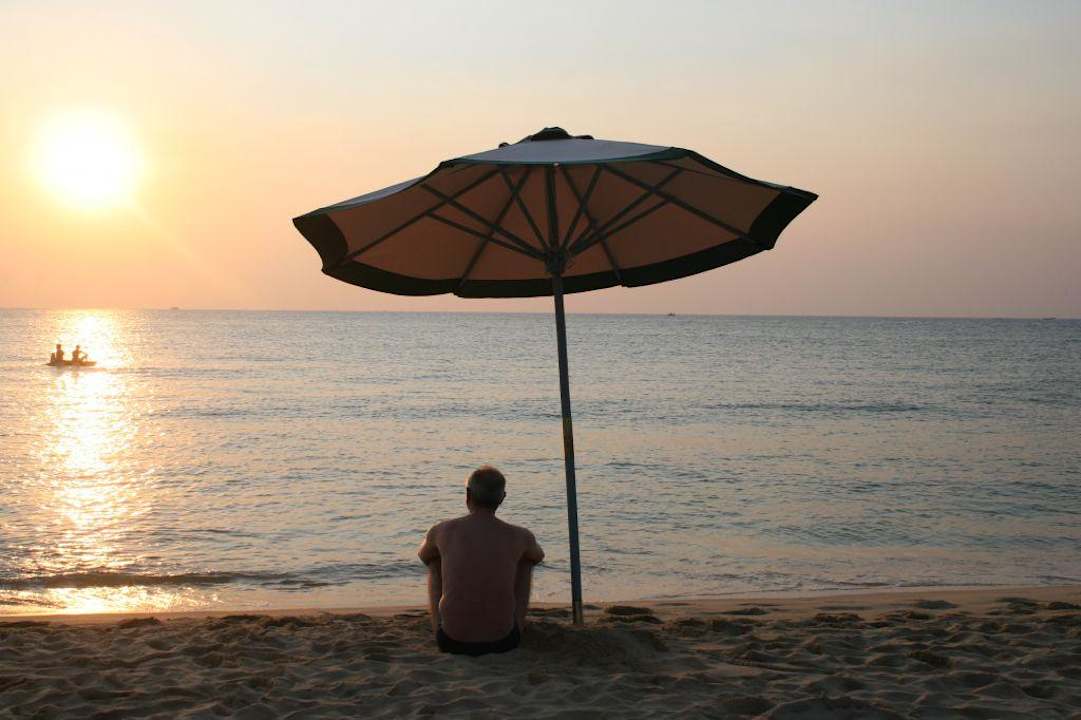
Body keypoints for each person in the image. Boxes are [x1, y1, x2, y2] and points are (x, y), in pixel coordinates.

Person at [418, 465, 544, 656]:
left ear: (468, 495)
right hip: (504, 642)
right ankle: (518, 622)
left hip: (451, 642)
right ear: (502, 498)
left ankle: (438, 624)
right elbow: (537, 556)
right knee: (525, 562)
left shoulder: (442, 530)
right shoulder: (520, 535)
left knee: (435, 563)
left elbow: (424, 556)